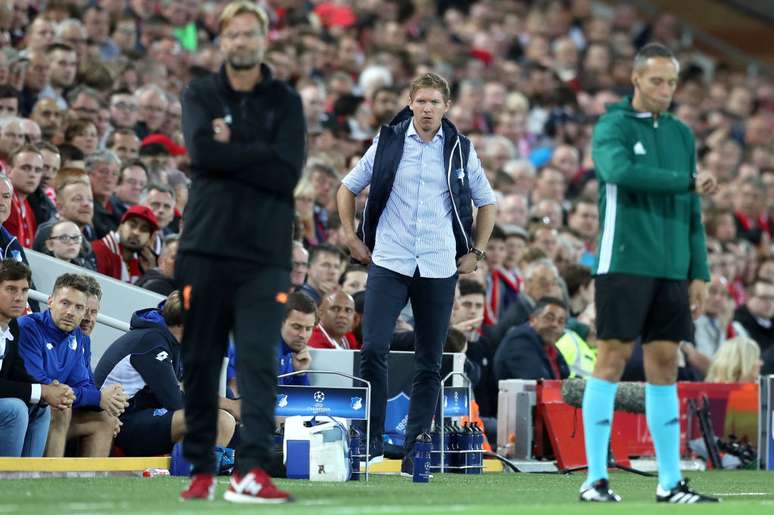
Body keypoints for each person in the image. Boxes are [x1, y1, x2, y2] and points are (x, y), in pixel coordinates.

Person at [336, 72, 497, 474]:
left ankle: (417, 448)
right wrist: (351, 239)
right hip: (390, 259)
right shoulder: (388, 141)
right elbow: (347, 187)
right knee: (373, 347)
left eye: (434, 103)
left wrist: (477, 251)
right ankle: (370, 438)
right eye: (421, 101)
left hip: (439, 263)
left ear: (446, 107)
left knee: (430, 360)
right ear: (410, 103)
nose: (427, 109)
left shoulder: (461, 149)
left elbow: (487, 202)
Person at [177, 1, 305, 503]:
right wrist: (261, 149)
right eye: (234, 34)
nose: (242, 42)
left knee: (257, 361)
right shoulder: (200, 92)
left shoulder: (285, 101)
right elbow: (201, 153)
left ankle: (249, 472)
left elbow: (286, 173)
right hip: (205, 248)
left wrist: (235, 146)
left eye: (251, 33)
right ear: (222, 40)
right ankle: (203, 469)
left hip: (265, 256)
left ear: (264, 38)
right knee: (203, 359)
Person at [579, 43, 718, 503]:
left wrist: (699, 270)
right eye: (657, 80)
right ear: (636, 79)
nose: (665, 89)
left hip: (672, 268)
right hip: (623, 261)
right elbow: (618, 170)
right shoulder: (612, 125)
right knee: (612, 358)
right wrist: (686, 182)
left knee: (664, 365)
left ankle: (670, 482)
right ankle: (596, 478)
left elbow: (692, 206)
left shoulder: (681, 134)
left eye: (672, 82)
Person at [94, 291, 236, 456]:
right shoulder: (153, 342)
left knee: (225, 410)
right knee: (220, 420)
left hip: (136, 415)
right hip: (116, 421)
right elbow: (175, 401)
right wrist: (228, 405)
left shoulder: (171, 342)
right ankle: (187, 473)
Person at [17, 273, 128, 457]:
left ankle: (88, 484)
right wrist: (98, 398)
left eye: (78, 307)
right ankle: (48, 480)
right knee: (59, 406)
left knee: (105, 419)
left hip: (57, 410)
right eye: (65, 303)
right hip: (27, 407)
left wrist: (106, 402)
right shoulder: (29, 327)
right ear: (51, 301)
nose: (70, 312)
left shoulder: (77, 336)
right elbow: (40, 383)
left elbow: (82, 383)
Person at [0, 260, 73, 457]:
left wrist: (51, 390)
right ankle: (8, 477)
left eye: (24, 291)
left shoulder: (12, 326)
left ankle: (29, 478)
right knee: (15, 409)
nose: (19, 297)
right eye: (11, 289)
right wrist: (42, 390)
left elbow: (16, 371)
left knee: (41, 407)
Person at [494, 297, 570, 381]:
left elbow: (565, 378)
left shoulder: (550, 346)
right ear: (533, 319)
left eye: (561, 321)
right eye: (549, 318)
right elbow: (539, 384)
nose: (555, 325)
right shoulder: (521, 340)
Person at [92, 205, 159, 283]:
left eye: (144, 229)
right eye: (132, 225)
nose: (136, 232)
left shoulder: (141, 264)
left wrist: (149, 274)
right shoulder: (98, 251)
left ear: (149, 239)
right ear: (120, 226)